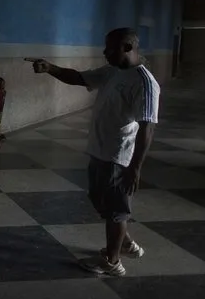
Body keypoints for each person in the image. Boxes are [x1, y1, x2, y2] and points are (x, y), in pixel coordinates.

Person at [27, 27, 160, 277]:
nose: (104, 52)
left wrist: (135, 168)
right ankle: (126, 243)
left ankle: (112, 261)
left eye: (110, 48)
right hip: (100, 150)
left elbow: (147, 128)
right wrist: (51, 68)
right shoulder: (113, 71)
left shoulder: (144, 83)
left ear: (128, 48)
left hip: (119, 157)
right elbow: (80, 78)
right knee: (99, 199)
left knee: (116, 209)